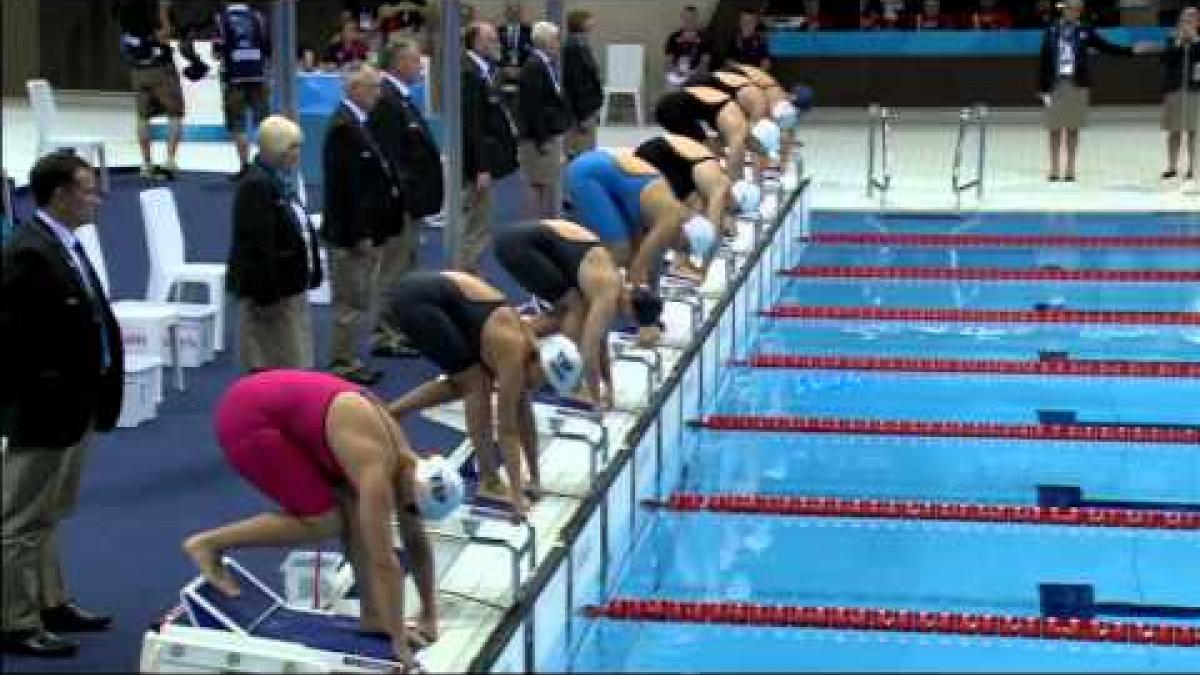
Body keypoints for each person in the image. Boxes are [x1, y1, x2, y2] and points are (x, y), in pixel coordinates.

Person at [181, 369, 461, 670]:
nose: (402, 511)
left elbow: (415, 542)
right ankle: (208, 544)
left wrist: (429, 614)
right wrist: (398, 643)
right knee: (327, 520)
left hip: (277, 407)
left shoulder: (410, 468)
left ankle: (373, 616)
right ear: (414, 485)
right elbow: (385, 562)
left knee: (356, 512)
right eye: (407, 506)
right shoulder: (376, 470)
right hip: (247, 419)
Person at [1, 151, 124, 658]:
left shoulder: (63, 244)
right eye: (88, 189)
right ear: (59, 194)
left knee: (49, 513)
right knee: (19, 522)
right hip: (45, 410)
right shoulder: (30, 253)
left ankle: (49, 601)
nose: (97, 198)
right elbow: (12, 343)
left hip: (75, 406)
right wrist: (47, 391)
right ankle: (13, 619)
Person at [383, 271, 584, 517]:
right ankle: (489, 482)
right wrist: (518, 497)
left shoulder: (529, 351)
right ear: (541, 364)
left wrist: (535, 478)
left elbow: (525, 417)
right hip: (417, 301)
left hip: (430, 295)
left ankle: (391, 413)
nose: (540, 389)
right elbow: (508, 429)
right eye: (546, 384)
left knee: (470, 379)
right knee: (476, 385)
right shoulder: (513, 352)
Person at [495, 220, 667, 409]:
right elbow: (589, 350)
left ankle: (513, 343)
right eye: (629, 316)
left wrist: (609, 386)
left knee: (571, 311)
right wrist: (594, 398)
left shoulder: (615, 284)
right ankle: (560, 381)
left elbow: (601, 341)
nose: (624, 318)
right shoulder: (608, 291)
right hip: (518, 246)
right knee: (575, 310)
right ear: (630, 306)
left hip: (519, 239)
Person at [322, 64, 398, 385]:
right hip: (351, 232)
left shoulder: (360, 124)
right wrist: (361, 233)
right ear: (354, 90)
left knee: (359, 295)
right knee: (350, 299)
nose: (378, 95)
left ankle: (350, 356)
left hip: (366, 228)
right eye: (372, 88)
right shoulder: (344, 129)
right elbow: (346, 190)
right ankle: (343, 360)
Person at [227, 116, 322, 373]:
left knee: (295, 354)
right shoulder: (257, 185)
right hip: (271, 294)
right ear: (276, 148)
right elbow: (257, 245)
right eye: (293, 147)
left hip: (290, 286)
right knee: (279, 359)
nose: (298, 154)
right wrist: (267, 296)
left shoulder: (278, 180)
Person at [369, 38, 445, 359]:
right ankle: (385, 333)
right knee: (394, 268)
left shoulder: (401, 98)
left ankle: (398, 327)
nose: (420, 67)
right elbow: (391, 157)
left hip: (412, 201)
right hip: (400, 202)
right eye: (414, 61)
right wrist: (406, 198)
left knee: (406, 265)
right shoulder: (387, 101)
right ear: (398, 63)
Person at [564, 148, 719, 288]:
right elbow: (638, 269)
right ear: (686, 235)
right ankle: (575, 290)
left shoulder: (672, 212)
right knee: (620, 252)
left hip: (597, 164)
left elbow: (643, 256)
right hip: (587, 174)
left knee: (627, 253)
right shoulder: (670, 219)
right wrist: (643, 308)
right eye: (685, 248)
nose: (678, 251)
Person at [1037, 0, 1152, 182]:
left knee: (1073, 128)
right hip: (1055, 85)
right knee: (1054, 128)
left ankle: (1070, 168)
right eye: (1069, 8)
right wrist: (1041, 87)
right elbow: (1043, 59)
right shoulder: (1051, 30)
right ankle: (1054, 168)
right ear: (1063, 10)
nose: (1073, 11)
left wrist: (1130, 51)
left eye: (1077, 9)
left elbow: (1105, 47)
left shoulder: (1085, 30)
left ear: (1080, 11)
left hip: (1078, 84)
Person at [460, 21, 520, 273]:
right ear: (476, 42)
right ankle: (465, 271)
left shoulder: (486, 71)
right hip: (476, 163)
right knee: (475, 219)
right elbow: (472, 125)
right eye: (492, 39)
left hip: (488, 157)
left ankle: (469, 268)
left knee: (481, 219)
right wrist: (481, 167)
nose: (497, 43)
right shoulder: (470, 74)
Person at [634, 133, 762, 239]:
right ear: (739, 201)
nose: (731, 213)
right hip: (658, 155)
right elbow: (711, 231)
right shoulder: (720, 188)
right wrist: (705, 263)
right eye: (736, 210)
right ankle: (678, 260)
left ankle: (669, 252)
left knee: (693, 206)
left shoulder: (720, 182)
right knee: (686, 210)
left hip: (661, 150)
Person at [653, 85, 782, 182]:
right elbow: (737, 154)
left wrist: (768, 157)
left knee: (707, 147)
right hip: (673, 109)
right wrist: (738, 185)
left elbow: (753, 146)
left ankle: (680, 174)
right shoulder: (737, 121)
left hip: (670, 105)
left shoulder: (734, 116)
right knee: (711, 150)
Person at [116, 0, 185, 180]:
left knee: (142, 116)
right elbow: (165, 35)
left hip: (137, 68)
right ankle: (169, 161)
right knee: (175, 114)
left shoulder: (123, 7)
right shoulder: (152, 6)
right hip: (161, 68)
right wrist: (164, 10)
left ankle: (146, 164)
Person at [518, 21, 572, 219]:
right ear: (547, 41)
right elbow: (533, 108)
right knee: (536, 185)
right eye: (557, 40)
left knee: (545, 184)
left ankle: (542, 223)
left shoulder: (544, 65)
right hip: (537, 138)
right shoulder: (534, 67)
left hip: (545, 134)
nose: (559, 44)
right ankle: (535, 226)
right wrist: (542, 140)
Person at [213, 2, 273, 180]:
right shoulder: (258, 17)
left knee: (237, 124)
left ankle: (245, 166)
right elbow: (267, 48)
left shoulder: (221, 19)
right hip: (258, 77)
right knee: (263, 122)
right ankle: (267, 166)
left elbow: (217, 52)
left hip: (234, 79)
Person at [1161, 5, 1199, 180]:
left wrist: (1195, 42)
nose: (1188, 22)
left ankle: (1192, 167)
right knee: (1174, 130)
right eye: (1185, 19)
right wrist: (1177, 43)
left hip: (1194, 89)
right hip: (1175, 89)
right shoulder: (1172, 38)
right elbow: (1166, 60)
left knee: (1193, 130)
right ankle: (1172, 166)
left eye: (1192, 19)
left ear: (1198, 22)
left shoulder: (1199, 40)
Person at [562, 9, 604, 161]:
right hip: (582, 110)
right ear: (580, 23)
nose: (593, 22)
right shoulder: (574, 47)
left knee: (586, 151)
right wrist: (583, 116)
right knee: (583, 154)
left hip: (587, 107)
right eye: (589, 19)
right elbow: (577, 83)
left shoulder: (582, 44)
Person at [665, 6, 714, 89]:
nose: (689, 21)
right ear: (682, 18)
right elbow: (668, 61)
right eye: (686, 18)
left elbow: (705, 63)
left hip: (696, 77)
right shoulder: (674, 37)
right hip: (677, 76)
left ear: (696, 18)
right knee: (670, 86)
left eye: (692, 18)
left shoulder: (705, 38)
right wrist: (675, 71)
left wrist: (692, 74)